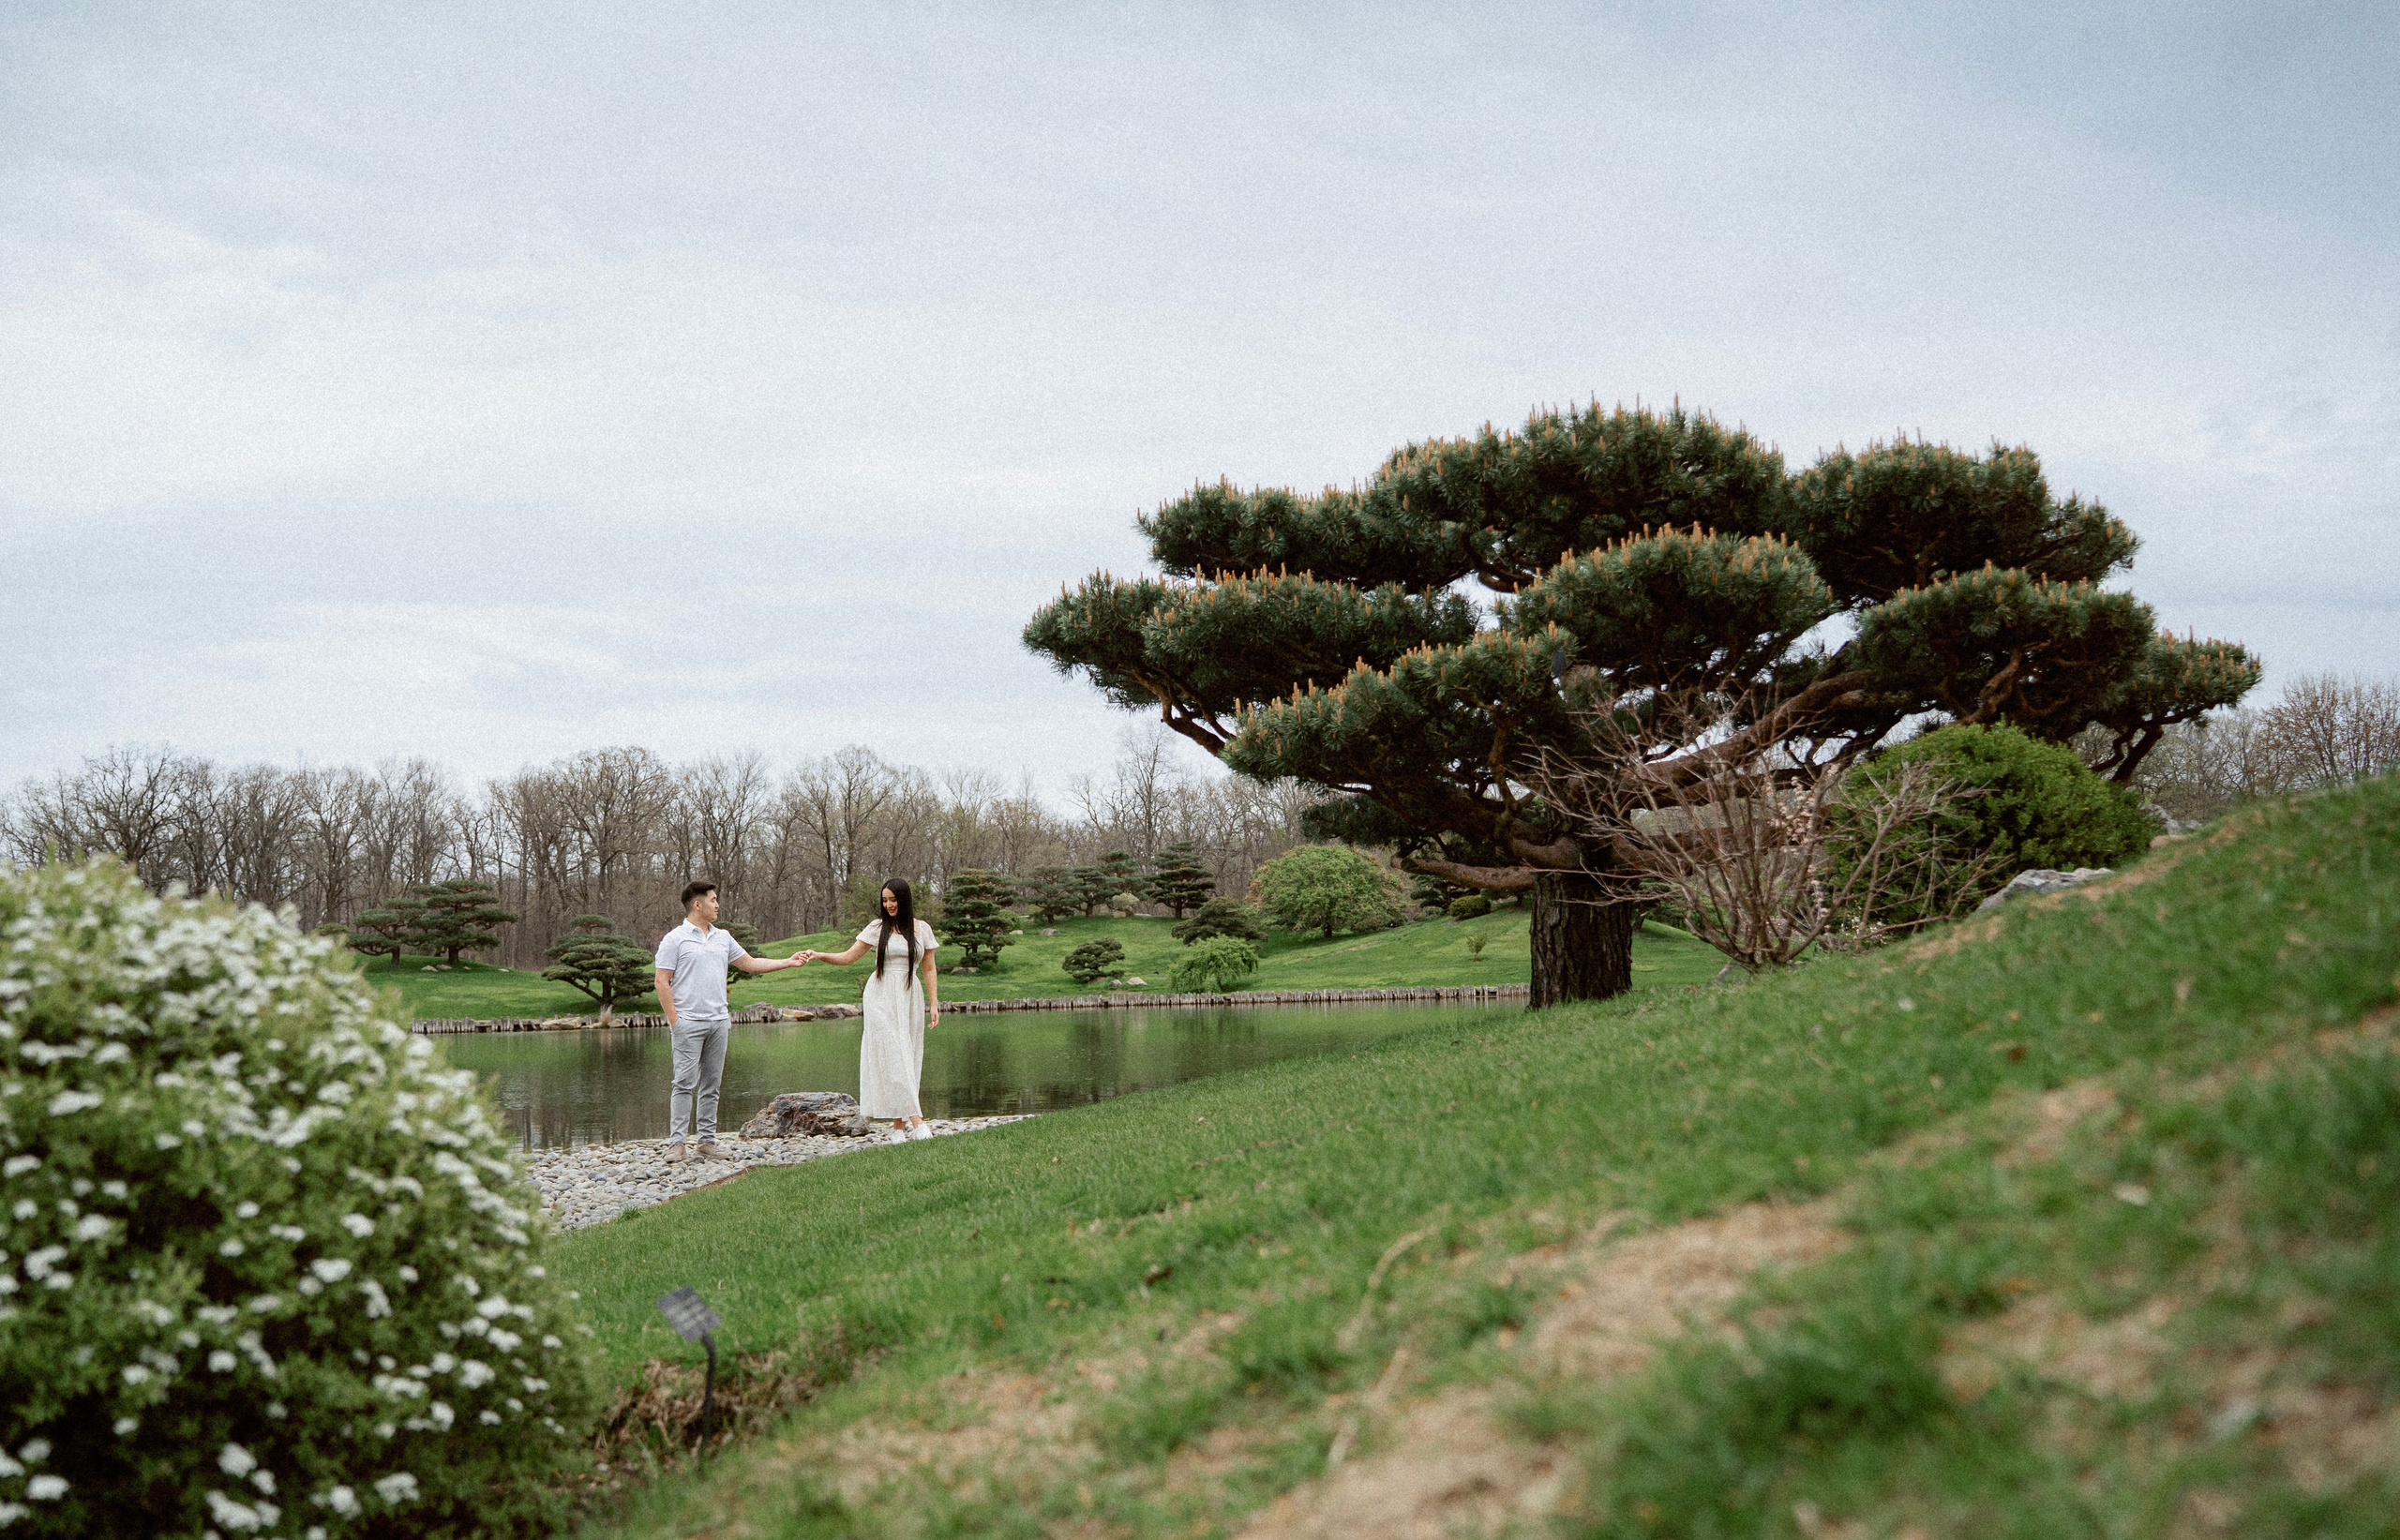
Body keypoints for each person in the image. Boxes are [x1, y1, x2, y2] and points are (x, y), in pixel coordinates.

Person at [653, 879, 808, 1161]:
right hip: (688, 1022)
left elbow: (750, 964)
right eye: (713, 900)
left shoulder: (723, 937)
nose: (717, 904)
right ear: (697, 904)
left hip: (718, 1022)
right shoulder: (675, 939)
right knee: (684, 1083)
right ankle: (677, 1144)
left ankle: (707, 1142)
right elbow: (662, 981)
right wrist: (675, 1021)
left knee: (711, 1085)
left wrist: (788, 961)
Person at [799, 877, 941, 1140]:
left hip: (909, 996)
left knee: (906, 1057)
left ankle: (898, 1129)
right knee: (894, 1053)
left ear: (904, 900)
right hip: (881, 996)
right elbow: (849, 956)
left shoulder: (921, 929)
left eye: (893, 900)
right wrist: (820, 955)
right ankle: (918, 1123)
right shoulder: (877, 928)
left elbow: (929, 967)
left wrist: (934, 1003)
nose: (888, 905)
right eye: (884, 900)